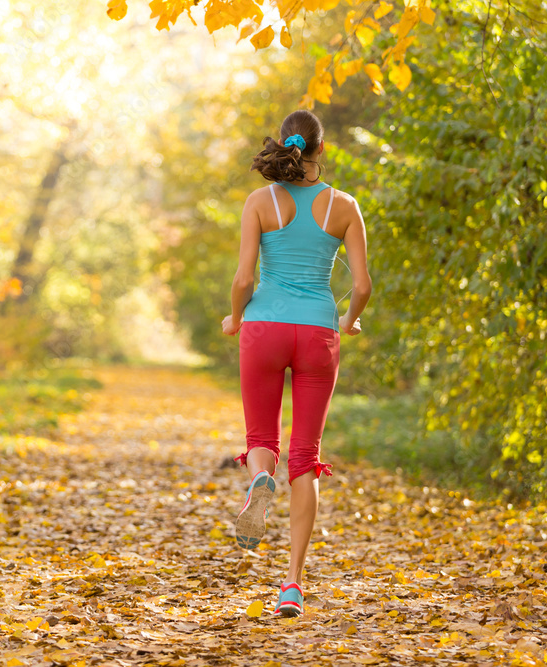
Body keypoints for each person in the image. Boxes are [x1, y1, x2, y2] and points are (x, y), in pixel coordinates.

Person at [221, 109, 371, 617]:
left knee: (263, 441)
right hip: (317, 333)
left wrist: (235, 317)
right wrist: (349, 320)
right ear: (320, 150)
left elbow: (244, 278)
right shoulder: (344, 206)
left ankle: (261, 480)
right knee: (306, 458)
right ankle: (291, 585)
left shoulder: (260, 201)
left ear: (285, 146)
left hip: (264, 328)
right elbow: (364, 286)